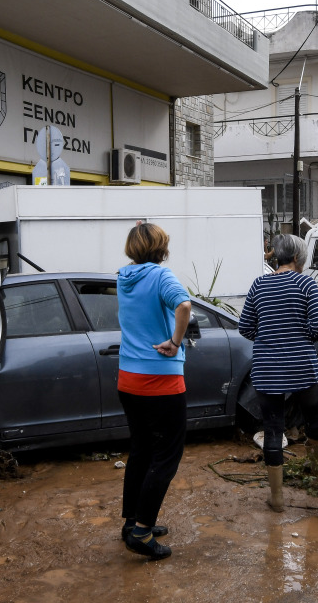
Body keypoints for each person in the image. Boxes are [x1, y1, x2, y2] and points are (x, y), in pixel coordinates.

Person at [238, 234, 318, 513]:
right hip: (301, 365)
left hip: (267, 368)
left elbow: (245, 328)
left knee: (272, 430)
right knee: (313, 416)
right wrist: (297, 336)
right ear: (296, 258)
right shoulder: (305, 283)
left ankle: (277, 497)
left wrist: (270, 336)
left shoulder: (259, 284)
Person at [116, 222, 192, 560]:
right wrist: (175, 342)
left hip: (128, 379)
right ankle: (143, 532)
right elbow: (184, 306)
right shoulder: (161, 277)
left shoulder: (124, 277)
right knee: (167, 456)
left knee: (142, 451)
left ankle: (132, 522)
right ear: (160, 247)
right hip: (160, 379)